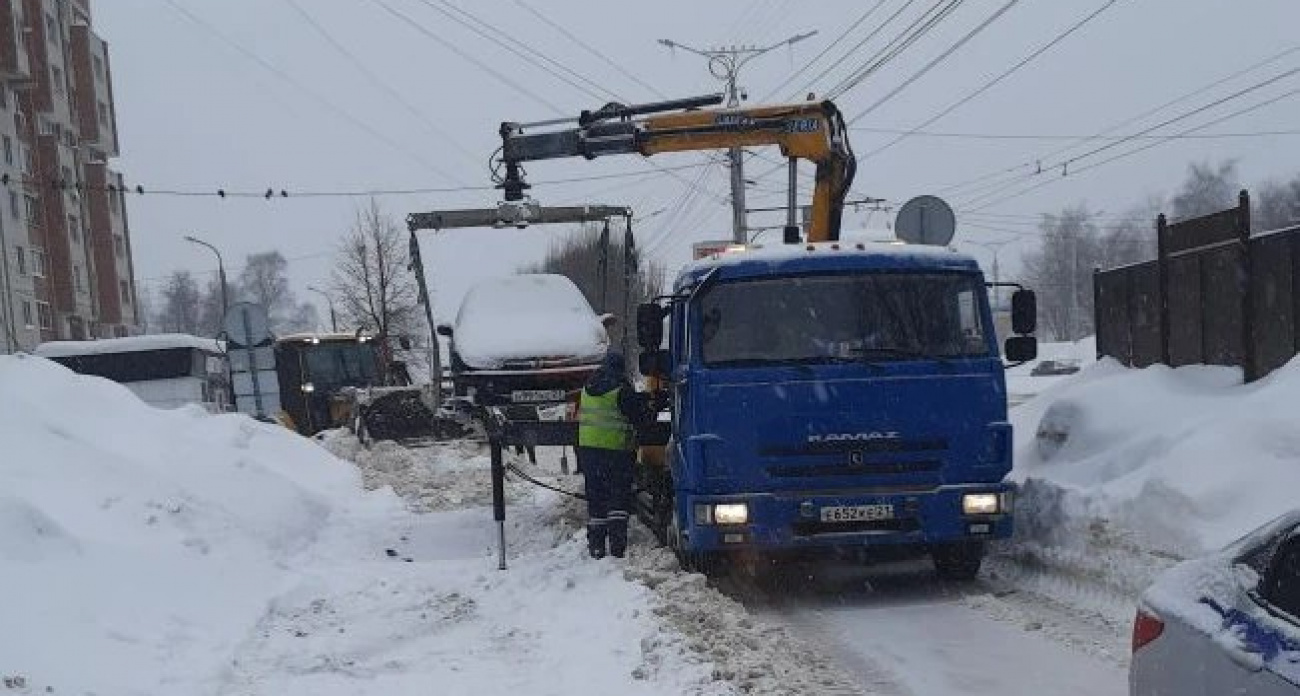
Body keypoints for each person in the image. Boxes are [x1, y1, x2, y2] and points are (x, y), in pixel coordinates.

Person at [577, 350, 655, 559]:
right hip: (616, 453)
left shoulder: (587, 388)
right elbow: (640, 417)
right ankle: (617, 546)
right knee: (618, 498)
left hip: (589, 454)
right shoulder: (621, 391)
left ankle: (596, 546)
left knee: (596, 499)